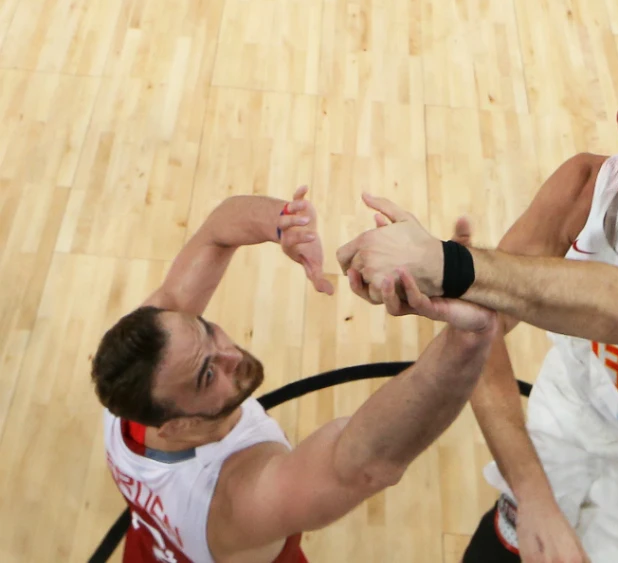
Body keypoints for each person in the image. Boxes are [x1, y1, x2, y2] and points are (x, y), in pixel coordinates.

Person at [335, 51, 618, 563]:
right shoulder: (583, 187)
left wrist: (450, 266)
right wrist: (533, 495)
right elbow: (484, 326)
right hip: (575, 400)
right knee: (502, 548)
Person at [92, 186, 502, 563]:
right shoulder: (236, 501)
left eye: (207, 329)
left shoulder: (135, 389)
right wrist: (468, 338)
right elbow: (366, 464)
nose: (229, 353)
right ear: (177, 425)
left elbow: (219, 229)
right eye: (207, 374)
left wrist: (284, 223)